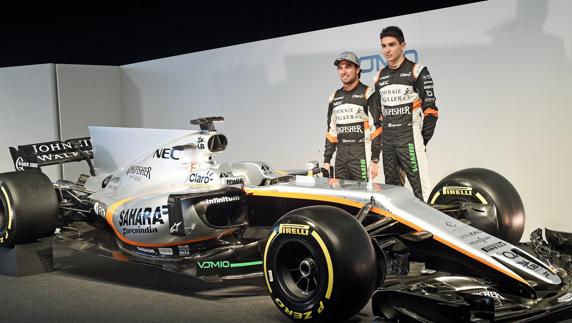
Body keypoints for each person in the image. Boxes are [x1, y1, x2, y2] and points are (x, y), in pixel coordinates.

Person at [374, 26, 438, 201]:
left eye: (392, 45)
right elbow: (379, 116)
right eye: (384, 45)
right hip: (388, 144)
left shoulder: (417, 70)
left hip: (410, 139)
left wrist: (421, 140)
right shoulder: (379, 76)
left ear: (403, 46)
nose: (387, 50)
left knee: (422, 194)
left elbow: (431, 111)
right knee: (393, 197)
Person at [324, 51, 382, 181]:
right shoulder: (334, 97)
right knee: (340, 196)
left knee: (363, 197)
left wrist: (375, 160)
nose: (344, 71)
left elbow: (376, 129)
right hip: (341, 155)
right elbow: (331, 132)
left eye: (348, 66)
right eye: (340, 68)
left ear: (357, 69)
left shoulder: (368, 93)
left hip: (361, 153)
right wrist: (327, 160)